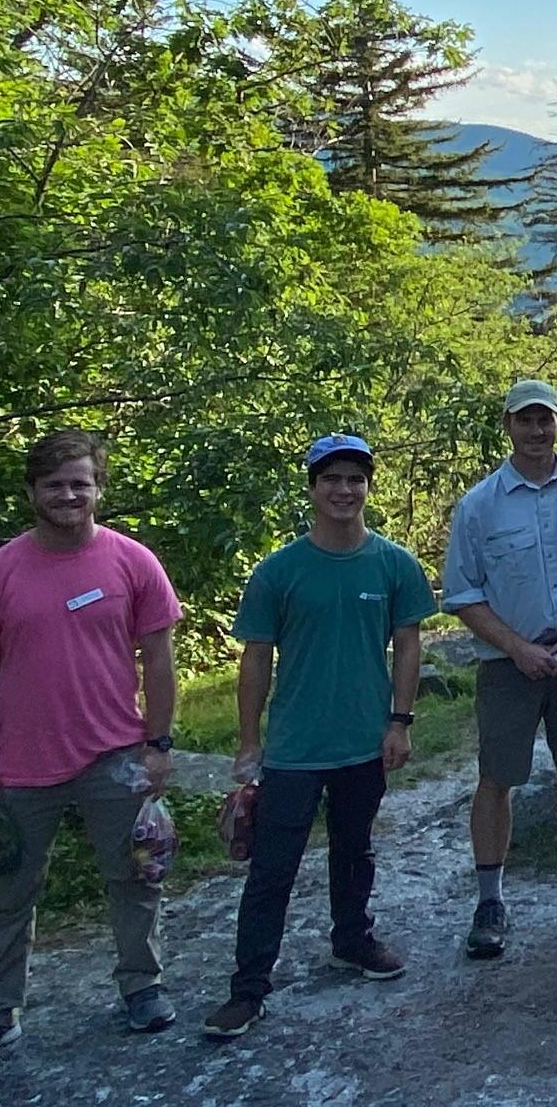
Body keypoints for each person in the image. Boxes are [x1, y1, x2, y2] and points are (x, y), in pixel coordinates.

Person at [202, 434, 434, 1039]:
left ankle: (352, 941)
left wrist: (399, 722)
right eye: (331, 478)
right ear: (312, 487)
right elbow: (256, 658)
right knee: (272, 869)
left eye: (355, 479)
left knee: (355, 851)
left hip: (364, 743)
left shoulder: (393, 565)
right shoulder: (279, 571)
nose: (343, 490)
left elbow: (408, 644)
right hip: (294, 751)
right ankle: (249, 989)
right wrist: (249, 740)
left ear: (368, 487)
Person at [0, 431, 182, 1048]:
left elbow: (158, 660)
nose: (69, 494)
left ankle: (142, 987)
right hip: (19, 762)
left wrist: (159, 744)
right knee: (5, 889)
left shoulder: (132, 561)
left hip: (116, 754)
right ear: (32, 493)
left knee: (136, 878)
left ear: (98, 488)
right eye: (55, 484)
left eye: (80, 482)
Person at [442, 379, 557, 960]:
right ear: (508, 426)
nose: (536, 431)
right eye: (525, 421)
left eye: (544, 419)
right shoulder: (479, 506)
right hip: (508, 665)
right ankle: (490, 901)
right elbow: (463, 593)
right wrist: (518, 648)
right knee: (497, 778)